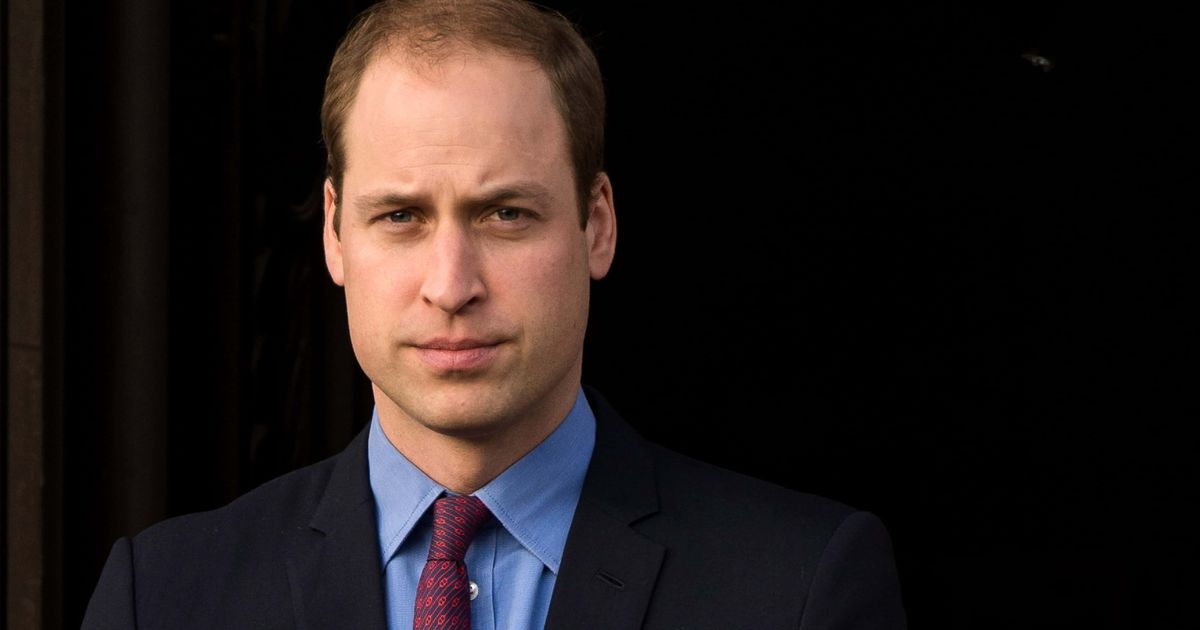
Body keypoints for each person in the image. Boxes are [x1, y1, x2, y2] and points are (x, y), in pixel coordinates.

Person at [82, 0, 907, 628]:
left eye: (505, 214)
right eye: (400, 216)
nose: (451, 284)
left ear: (599, 225)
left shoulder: (799, 589)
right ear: (334, 234)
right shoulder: (162, 597)